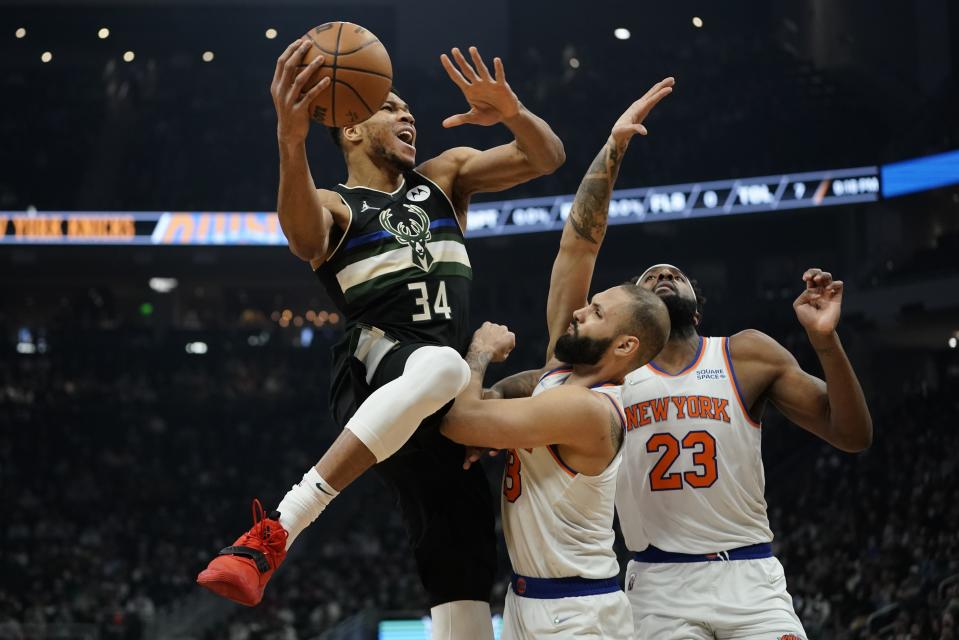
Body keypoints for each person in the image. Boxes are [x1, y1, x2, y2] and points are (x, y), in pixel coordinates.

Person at [196, 40, 565, 638]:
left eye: (408, 109)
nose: (407, 115)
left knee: (463, 557)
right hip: (374, 368)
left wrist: (513, 111)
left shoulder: (444, 179)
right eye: (389, 106)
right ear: (350, 128)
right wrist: (291, 140)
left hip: (436, 396)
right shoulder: (334, 205)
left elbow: (546, 157)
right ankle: (275, 532)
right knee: (444, 364)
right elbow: (300, 237)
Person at [440, 79, 675, 639]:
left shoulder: (591, 410)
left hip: (578, 615)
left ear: (624, 347)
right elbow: (580, 246)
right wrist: (614, 145)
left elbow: (459, 421)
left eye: (595, 313)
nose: (579, 313)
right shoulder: (564, 372)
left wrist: (480, 355)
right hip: (531, 600)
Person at [615, 263, 871, 639]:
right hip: (658, 585)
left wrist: (824, 339)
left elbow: (853, 434)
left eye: (676, 276)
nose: (665, 278)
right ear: (633, 317)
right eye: (651, 278)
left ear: (697, 312)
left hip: (748, 575)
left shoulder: (744, 354)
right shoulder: (611, 378)